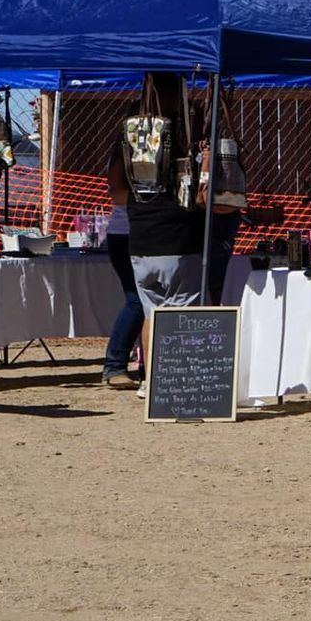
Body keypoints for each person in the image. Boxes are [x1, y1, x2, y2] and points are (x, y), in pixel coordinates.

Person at [119, 74, 207, 387]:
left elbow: (116, 191)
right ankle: (178, 383)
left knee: (152, 314)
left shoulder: (130, 138)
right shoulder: (188, 129)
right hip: (179, 239)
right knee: (183, 314)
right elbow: (206, 189)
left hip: (141, 241)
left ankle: (152, 381)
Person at [99, 151, 146, 390]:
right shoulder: (122, 156)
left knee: (144, 302)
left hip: (145, 233)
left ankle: (142, 364)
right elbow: (117, 195)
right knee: (136, 300)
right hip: (125, 233)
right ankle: (115, 364)